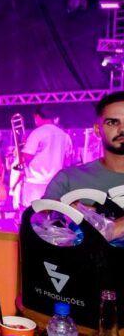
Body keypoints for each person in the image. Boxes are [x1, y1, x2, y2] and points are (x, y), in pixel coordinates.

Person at [44, 91, 124, 239]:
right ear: (97, 130)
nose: (122, 129)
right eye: (112, 122)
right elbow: (40, 223)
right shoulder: (68, 179)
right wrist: (65, 211)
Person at [19, 105, 72, 208]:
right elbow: (67, 161)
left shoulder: (37, 133)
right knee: (51, 212)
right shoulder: (64, 135)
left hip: (35, 182)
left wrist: (22, 147)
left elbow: (26, 156)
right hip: (55, 183)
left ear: (37, 116)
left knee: (32, 212)